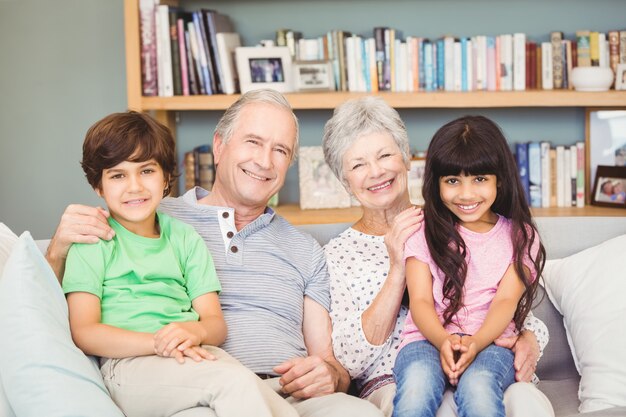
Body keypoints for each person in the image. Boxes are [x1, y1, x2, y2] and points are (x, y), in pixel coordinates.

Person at [46, 90, 383, 417]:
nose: (264, 161)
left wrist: (329, 373)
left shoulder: (305, 249)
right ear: (220, 146)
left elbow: (327, 358)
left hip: (286, 391)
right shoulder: (150, 216)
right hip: (191, 389)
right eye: (253, 141)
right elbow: (61, 304)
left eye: (280, 150)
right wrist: (58, 248)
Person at [321, 97, 553, 417]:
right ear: (344, 180)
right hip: (396, 377)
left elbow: (505, 305)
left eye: (385, 155)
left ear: (406, 159)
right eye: (358, 164)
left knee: (520, 403)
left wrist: (530, 337)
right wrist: (396, 269)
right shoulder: (337, 255)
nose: (376, 171)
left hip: (487, 358)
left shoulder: (454, 223)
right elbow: (349, 359)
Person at [62, 111, 297, 417]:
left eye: (146, 171)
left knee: (261, 394)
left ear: (165, 179)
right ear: (99, 187)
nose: (134, 186)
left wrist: (194, 332)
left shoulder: (185, 238)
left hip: (193, 355)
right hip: (130, 368)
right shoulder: (94, 241)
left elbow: (214, 323)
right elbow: (85, 331)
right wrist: (158, 343)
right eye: (118, 175)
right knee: (235, 386)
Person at [392, 115, 548, 417]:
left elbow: (505, 300)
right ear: (435, 182)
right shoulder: (422, 231)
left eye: (479, 179)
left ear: (499, 179)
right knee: (416, 388)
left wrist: (475, 343)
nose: (466, 194)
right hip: (425, 340)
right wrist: (443, 340)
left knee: (478, 388)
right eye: (452, 181)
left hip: (491, 344)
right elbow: (421, 301)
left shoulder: (521, 237)